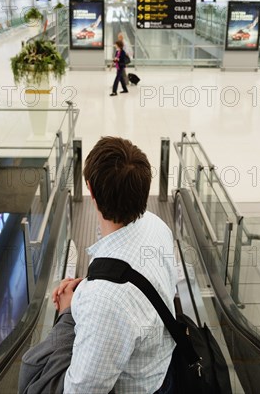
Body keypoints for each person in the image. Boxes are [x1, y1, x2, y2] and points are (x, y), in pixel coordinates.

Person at [52, 136, 177, 393]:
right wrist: (87, 289)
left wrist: (67, 314)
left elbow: (82, 390)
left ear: (91, 190)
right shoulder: (156, 225)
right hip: (163, 367)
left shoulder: (104, 301)